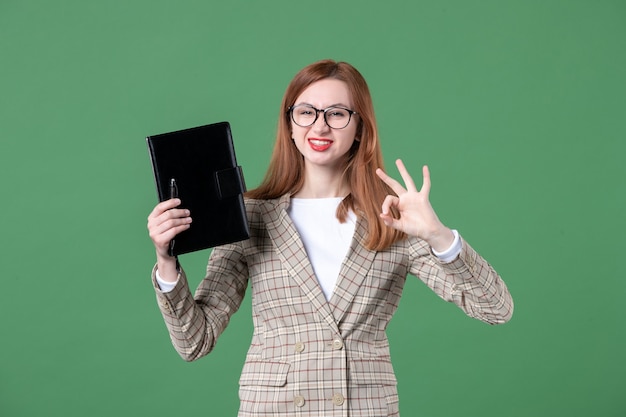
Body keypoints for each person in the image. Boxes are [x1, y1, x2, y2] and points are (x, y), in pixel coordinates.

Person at [147, 59, 513, 416]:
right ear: (289, 124)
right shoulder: (251, 213)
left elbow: (495, 309)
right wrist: (167, 260)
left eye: (337, 113)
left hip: (363, 408)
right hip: (273, 409)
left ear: (360, 128)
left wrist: (437, 234)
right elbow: (194, 342)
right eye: (306, 112)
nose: (319, 127)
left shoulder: (393, 219)